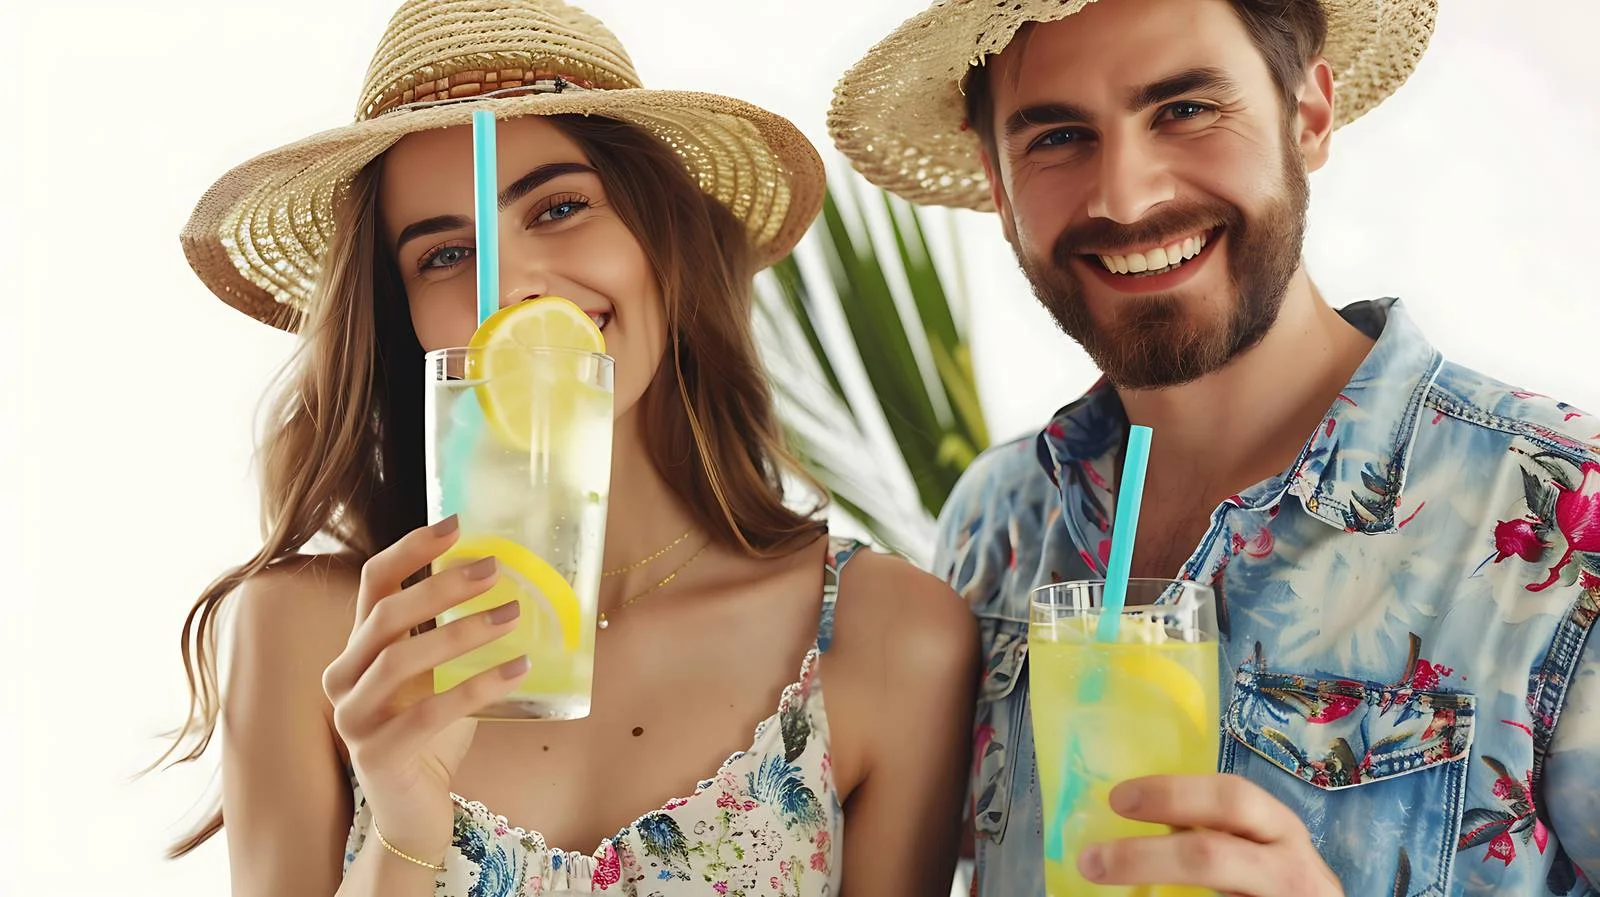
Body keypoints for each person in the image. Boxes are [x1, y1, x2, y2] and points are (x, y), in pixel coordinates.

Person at [158, 1, 980, 894]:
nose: (510, 288)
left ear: (661, 239)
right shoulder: (308, 638)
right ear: (405, 322)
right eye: (443, 255)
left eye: (558, 207)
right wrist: (402, 822)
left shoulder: (888, 637)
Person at [827, 0, 1600, 895]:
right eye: (1059, 136)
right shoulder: (997, 518)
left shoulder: (1566, 521)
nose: (1126, 196)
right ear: (997, 185)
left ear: (1307, 117)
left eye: (1185, 110)